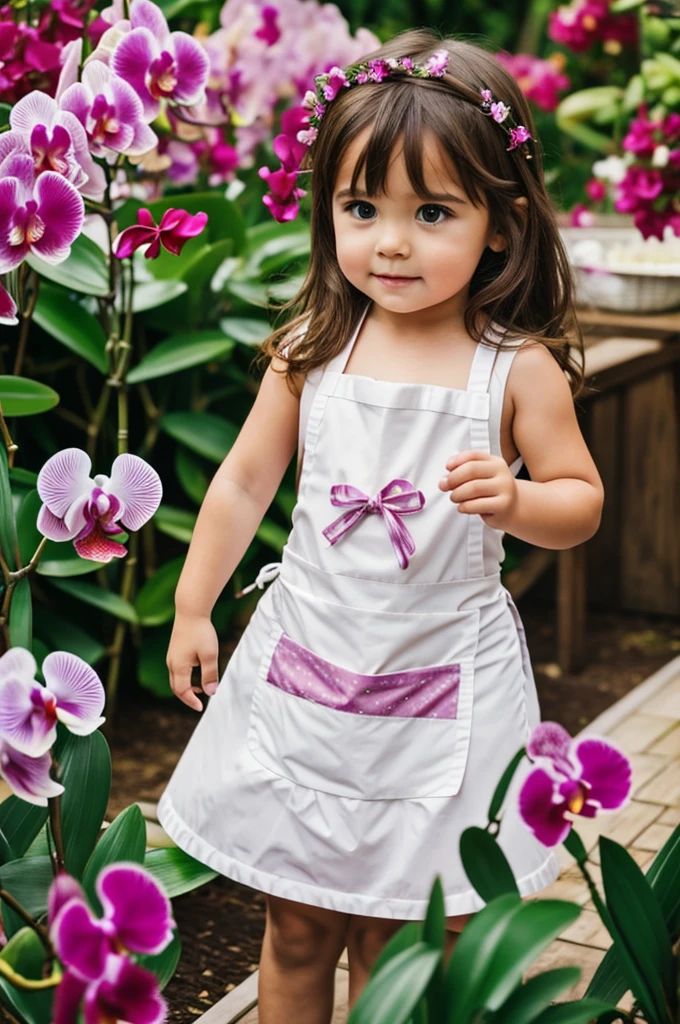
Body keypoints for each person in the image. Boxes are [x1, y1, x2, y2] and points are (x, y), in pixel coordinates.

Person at [157, 27, 604, 1024]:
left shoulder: (511, 368)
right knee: (300, 925)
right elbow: (240, 485)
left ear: (499, 222)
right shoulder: (313, 350)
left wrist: (522, 500)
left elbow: (580, 500)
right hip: (310, 674)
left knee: (410, 941)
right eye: (360, 209)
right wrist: (193, 606)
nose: (388, 242)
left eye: (430, 211)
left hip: (444, 687)